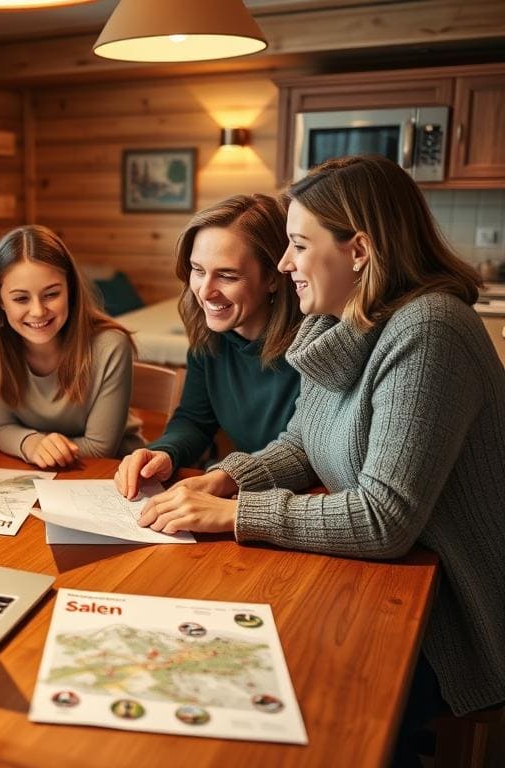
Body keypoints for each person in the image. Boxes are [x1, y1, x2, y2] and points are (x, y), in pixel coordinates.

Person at [133, 156, 505, 762]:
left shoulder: (429, 329)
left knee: (316, 703)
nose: (285, 264)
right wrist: (224, 479)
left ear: (358, 249)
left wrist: (235, 514)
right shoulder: (344, 322)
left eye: (299, 245)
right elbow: (301, 444)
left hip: (454, 613)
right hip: (397, 578)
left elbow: (384, 519)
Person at [115, 194, 302, 498]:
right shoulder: (209, 338)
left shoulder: (312, 347)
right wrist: (164, 452)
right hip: (242, 493)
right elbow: (194, 420)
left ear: (273, 277)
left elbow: (303, 454)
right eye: (198, 270)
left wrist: (225, 480)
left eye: (227, 275)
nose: (205, 291)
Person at [0, 225, 142, 468]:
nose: (38, 311)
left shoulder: (111, 346)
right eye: (21, 298)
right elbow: (1, 427)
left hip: (110, 472)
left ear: (70, 290)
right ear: (0, 300)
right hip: (37, 470)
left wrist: (34, 447)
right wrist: (31, 444)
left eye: (51, 294)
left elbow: (100, 447)